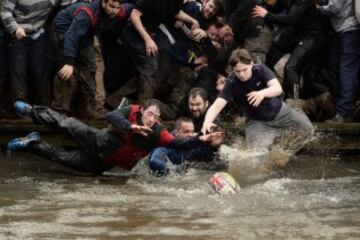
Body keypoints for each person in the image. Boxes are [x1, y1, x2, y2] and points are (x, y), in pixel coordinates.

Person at [7, 100, 222, 174]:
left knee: (60, 157)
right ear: (142, 110)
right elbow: (110, 115)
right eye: (149, 114)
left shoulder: (157, 132)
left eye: (156, 117)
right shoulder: (131, 111)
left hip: (101, 163)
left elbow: (176, 142)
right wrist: (130, 127)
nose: (151, 119)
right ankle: (31, 111)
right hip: (97, 139)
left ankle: (31, 143)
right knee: (66, 123)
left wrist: (199, 139)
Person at [202, 48, 314, 150]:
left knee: (308, 129)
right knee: (256, 154)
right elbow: (217, 105)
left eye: (245, 70)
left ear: (251, 64)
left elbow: (277, 88)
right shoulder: (232, 82)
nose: (241, 74)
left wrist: (262, 93)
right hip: (257, 121)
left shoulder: (260, 70)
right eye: (237, 71)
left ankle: (285, 152)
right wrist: (207, 121)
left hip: (281, 112)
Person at [50, 0, 133, 118]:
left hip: (87, 33)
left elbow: (131, 8)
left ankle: (88, 108)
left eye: (117, 7)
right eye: (111, 7)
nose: (114, 11)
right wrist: (69, 62)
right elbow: (71, 36)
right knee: (67, 72)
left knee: (90, 67)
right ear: (104, 3)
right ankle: (59, 110)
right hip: (64, 31)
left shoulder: (118, 11)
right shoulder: (87, 13)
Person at [0, 0, 63, 107]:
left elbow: (68, 4)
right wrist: (15, 28)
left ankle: (44, 108)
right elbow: (5, 11)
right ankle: (22, 110)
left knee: (41, 70)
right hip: (17, 32)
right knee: (18, 71)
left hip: (38, 32)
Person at [317, 0, 360, 123]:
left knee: (347, 71)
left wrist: (318, 7)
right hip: (342, 30)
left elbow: (335, 8)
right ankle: (345, 109)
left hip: (350, 30)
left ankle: (344, 112)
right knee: (335, 68)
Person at [149, 117, 223, 175]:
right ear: (176, 133)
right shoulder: (165, 146)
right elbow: (154, 161)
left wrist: (214, 146)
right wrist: (175, 172)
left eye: (192, 131)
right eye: (186, 132)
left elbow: (208, 157)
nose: (191, 135)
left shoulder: (190, 146)